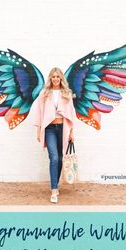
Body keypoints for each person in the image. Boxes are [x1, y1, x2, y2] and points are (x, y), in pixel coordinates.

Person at [34, 67, 76, 203]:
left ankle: (56, 186)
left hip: (63, 128)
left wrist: (71, 132)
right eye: (53, 77)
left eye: (58, 77)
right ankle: (53, 190)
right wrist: (38, 130)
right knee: (53, 157)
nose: (56, 79)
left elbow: (71, 113)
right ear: (50, 79)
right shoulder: (44, 93)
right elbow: (39, 112)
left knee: (59, 157)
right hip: (50, 129)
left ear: (61, 79)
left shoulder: (66, 93)